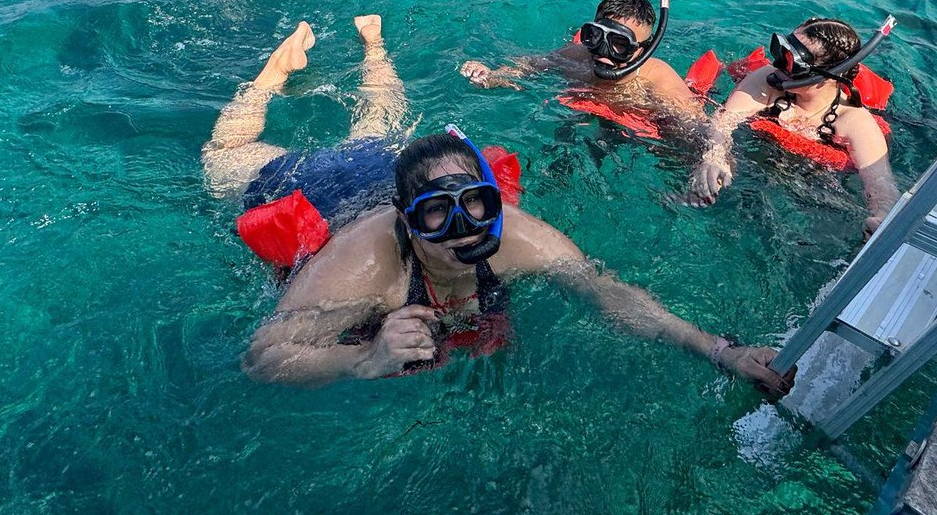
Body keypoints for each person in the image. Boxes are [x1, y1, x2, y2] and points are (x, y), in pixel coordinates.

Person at [240, 125, 794, 393]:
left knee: (378, 122)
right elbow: (262, 359)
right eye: (436, 214)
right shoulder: (367, 269)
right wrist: (362, 359)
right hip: (324, 192)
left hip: (399, 165)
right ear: (407, 219)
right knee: (229, 158)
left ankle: (376, 60)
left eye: (474, 204)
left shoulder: (519, 238)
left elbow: (610, 294)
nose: (463, 229)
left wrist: (721, 351)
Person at [687, 17, 899, 237]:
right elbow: (723, 122)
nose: (776, 64)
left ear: (826, 76)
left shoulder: (855, 123)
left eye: (790, 61)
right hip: (759, 163)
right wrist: (715, 157)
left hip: (813, 184)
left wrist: (881, 216)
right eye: (780, 49)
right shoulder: (765, 81)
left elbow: (880, 182)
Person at [202, 16, 406, 210]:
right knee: (222, 155)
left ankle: (374, 47)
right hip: (314, 194)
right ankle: (373, 46)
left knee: (378, 116)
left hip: (370, 170)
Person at [460, 0, 709, 144]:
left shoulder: (656, 82)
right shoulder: (577, 56)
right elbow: (528, 66)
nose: (603, 53)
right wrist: (492, 75)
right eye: (596, 37)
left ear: (642, 49)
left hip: (640, 125)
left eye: (620, 45)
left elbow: (701, 130)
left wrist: (711, 163)